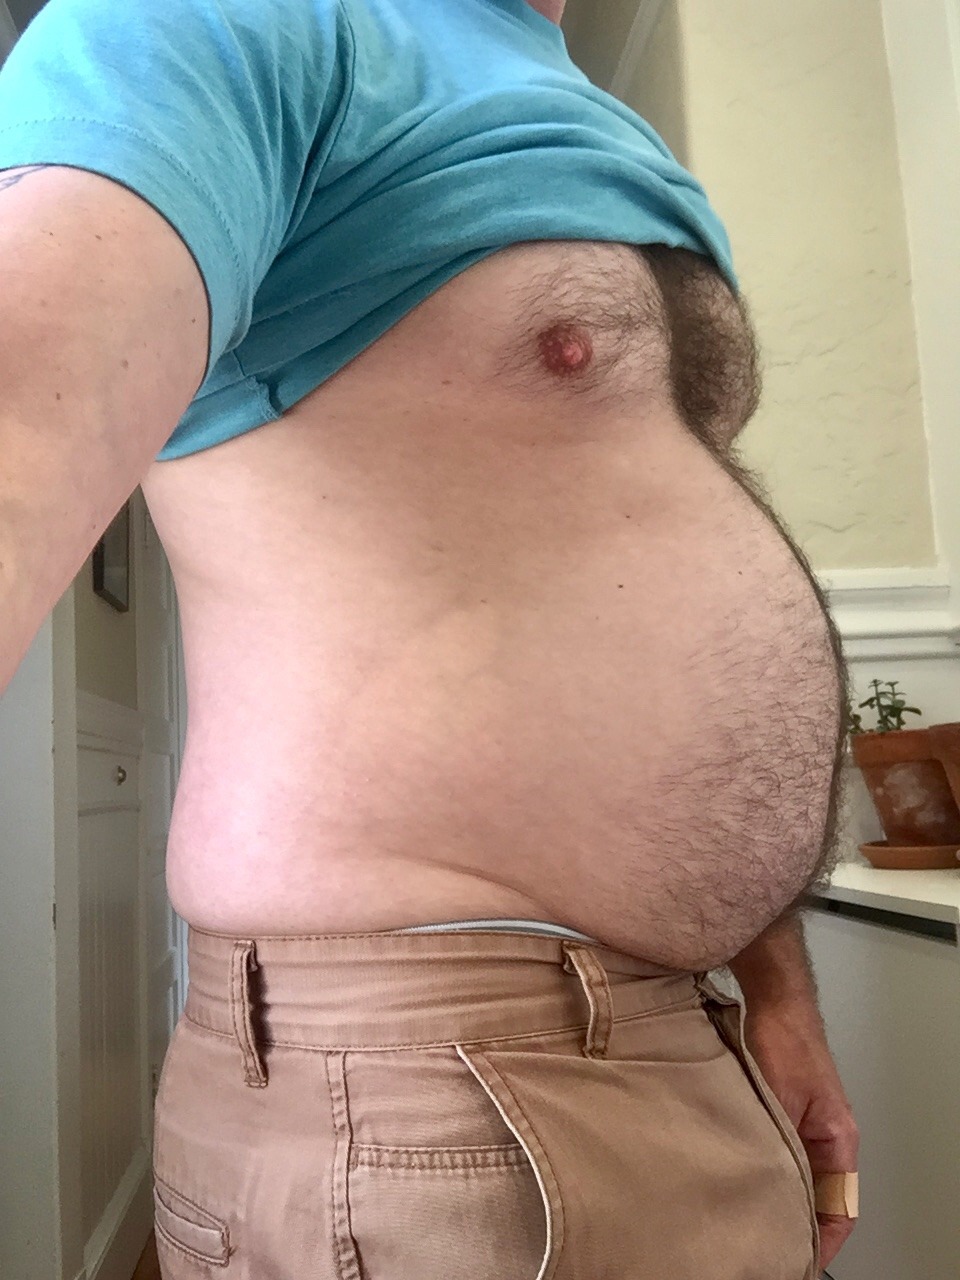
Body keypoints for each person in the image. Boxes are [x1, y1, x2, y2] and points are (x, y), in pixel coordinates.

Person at [0, 0, 859, 1275]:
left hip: (688, 1037)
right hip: (432, 1094)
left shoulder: (608, 128)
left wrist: (779, 996)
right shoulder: (232, 20)